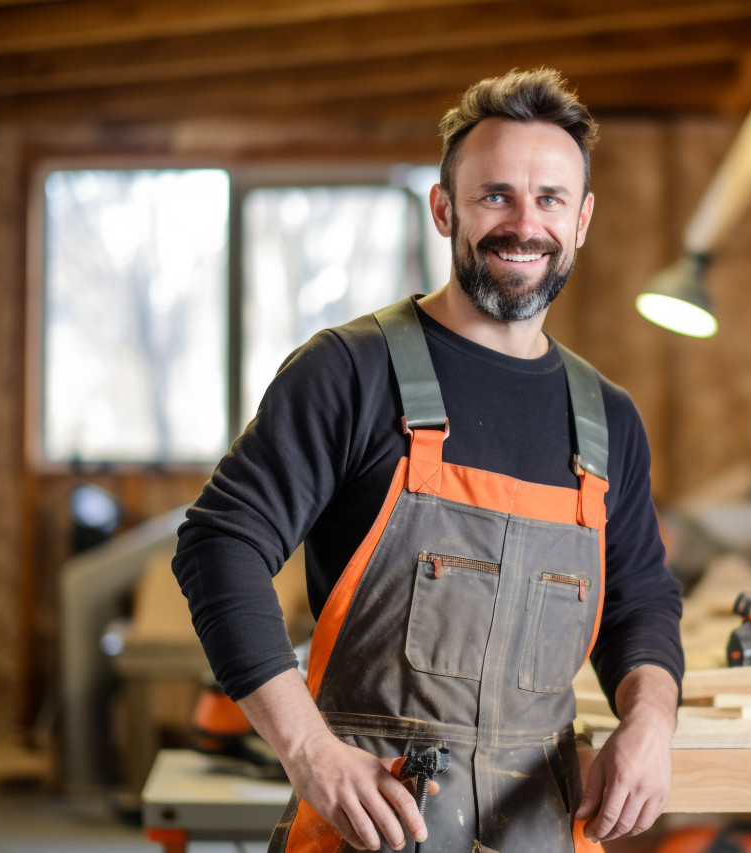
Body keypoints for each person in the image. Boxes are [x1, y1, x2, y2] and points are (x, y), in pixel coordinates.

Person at [173, 67, 684, 852]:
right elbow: (219, 543)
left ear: (581, 220)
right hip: (372, 830)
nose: (524, 223)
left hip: (541, 830)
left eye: (549, 199)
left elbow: (641, 599)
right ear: (445, 208)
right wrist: (307, 751)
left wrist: (651, 717)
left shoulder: (606, 419)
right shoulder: (350, 371)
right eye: (495, 195)